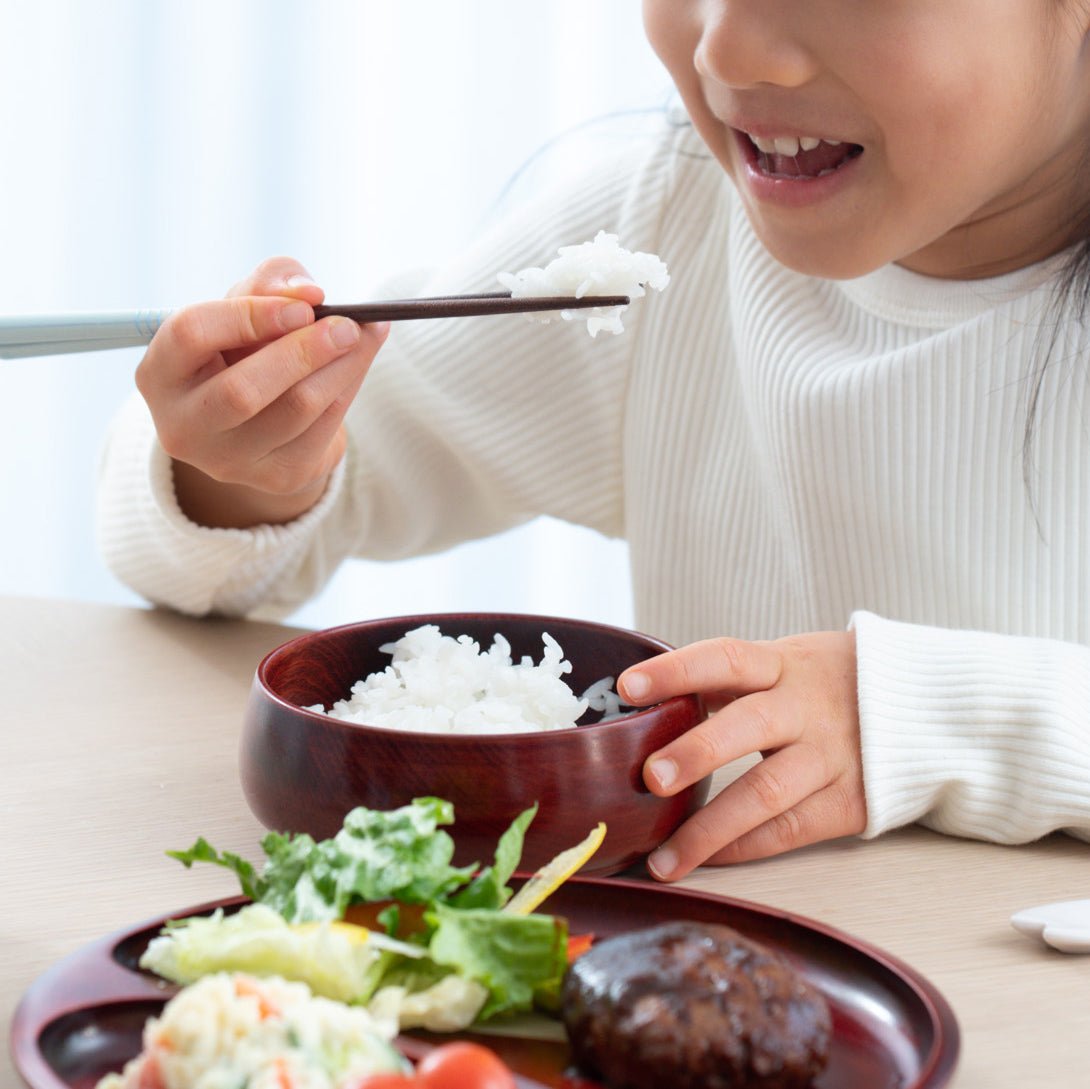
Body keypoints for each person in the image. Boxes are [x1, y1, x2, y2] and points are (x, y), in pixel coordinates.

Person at [98, 0, 1090, 883]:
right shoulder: (669, 223)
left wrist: (913, 716)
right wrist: (247, 459)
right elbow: (232, 544)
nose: (729, 45)